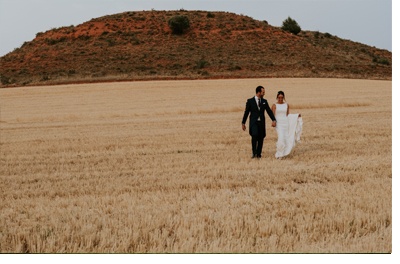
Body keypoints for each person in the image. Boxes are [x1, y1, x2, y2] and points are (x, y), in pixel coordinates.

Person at [242, 85, 277, 159]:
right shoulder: (250, 101)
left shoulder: (264, 101)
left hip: (261, 123)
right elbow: (246, 112)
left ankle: (258, 154)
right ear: (258, 92)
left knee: (261, 137)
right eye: (263, 92)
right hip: (253, 122)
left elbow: (269, 111)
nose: (264, 93)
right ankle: (254, 153)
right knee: (254, 135)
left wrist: (273, 120)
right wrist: (243, 123)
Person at [271, 91, 303, 159]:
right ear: (277, 97)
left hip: (286, 123)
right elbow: (272, 115)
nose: (280, 99)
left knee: (286, 138)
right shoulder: (274, 105)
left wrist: (296, 116)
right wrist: (273, 122)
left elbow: (288, 115)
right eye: (279, 97)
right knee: (281, 137)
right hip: (279, 124)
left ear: (283, 97)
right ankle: (279, 154)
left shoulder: (286, 105)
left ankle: (284, 153)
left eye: (282, 97)